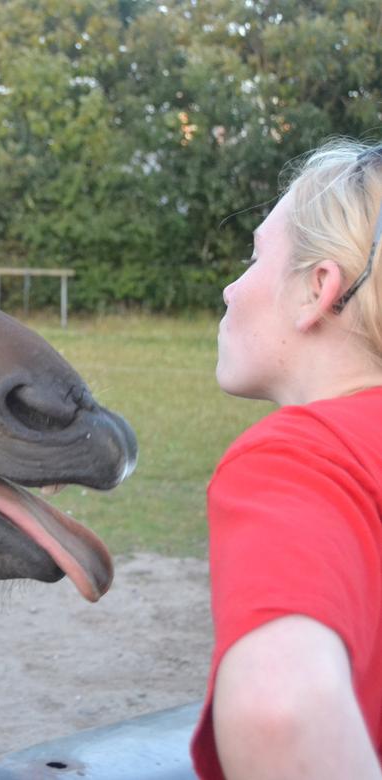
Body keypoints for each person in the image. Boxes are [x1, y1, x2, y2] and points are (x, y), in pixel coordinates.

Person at [191, 140, 382, 779]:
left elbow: (279, 712)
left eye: (254, 258)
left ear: (318, 289)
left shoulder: (302, 459)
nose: (230, 288)